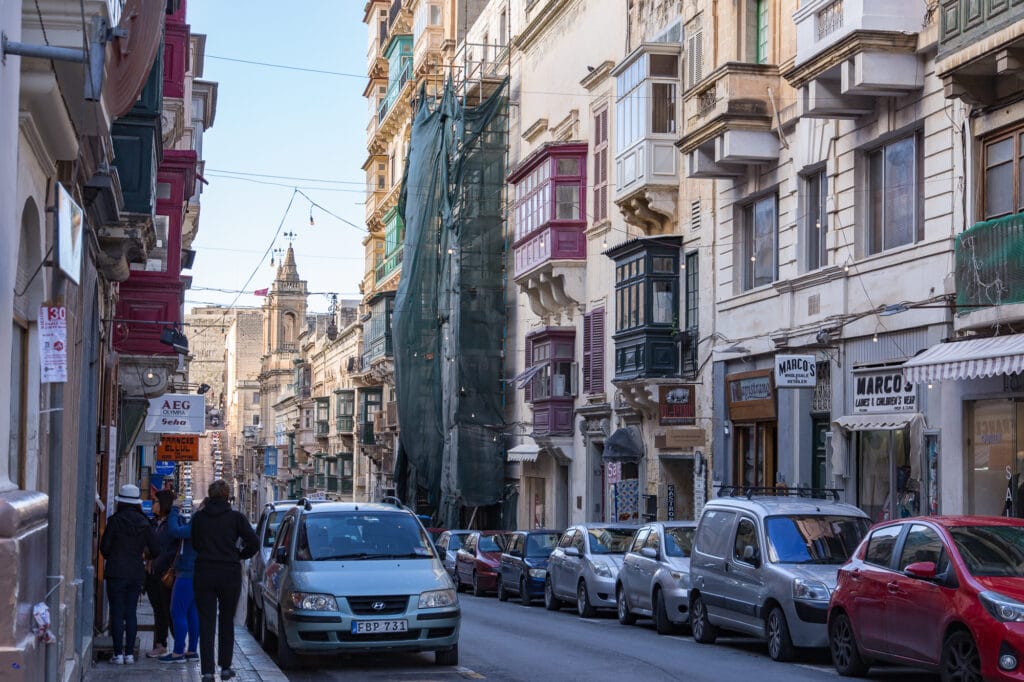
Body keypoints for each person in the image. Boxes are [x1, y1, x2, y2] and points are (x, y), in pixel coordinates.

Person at [191, 480, 258, 681]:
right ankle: (226, 666)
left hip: (204, 572)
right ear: (227, 496)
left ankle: (207, 671)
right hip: (229, 573)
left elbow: (194, 544)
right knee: (226, 620)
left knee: (206, 622)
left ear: (210, 496)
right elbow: (254, 542)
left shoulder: (199, 518)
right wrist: (239, 554)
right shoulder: (236, 518)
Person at [100, 484, 160, 665]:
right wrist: (143, 554)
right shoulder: (144, 522)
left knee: (117, 613)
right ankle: (130, 654)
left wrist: (116, 555)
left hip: (116, 572)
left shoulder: (114, 521)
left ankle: (117, 654)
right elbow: (156, 549)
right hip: (135, 572)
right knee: (131, 612)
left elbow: (104, 548)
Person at [159, 498, 199, 663]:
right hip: (199, 575)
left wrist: (174, 510)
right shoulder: (206, 527)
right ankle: (192, 650)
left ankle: (177, 652)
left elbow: (175, 530)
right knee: (192, 613)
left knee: (178, 611)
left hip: (186, 574)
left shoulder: (196, 527)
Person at [144, 489, 177, 658]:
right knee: (159, 609)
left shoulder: (171, 524)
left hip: (164, 574)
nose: (153, 505)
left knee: (166, 610)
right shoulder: (153, 523)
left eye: (155, 502)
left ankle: (170, 644)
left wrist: (157, 561)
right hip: (152, 573)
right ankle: (162, 643)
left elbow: (172, 550)